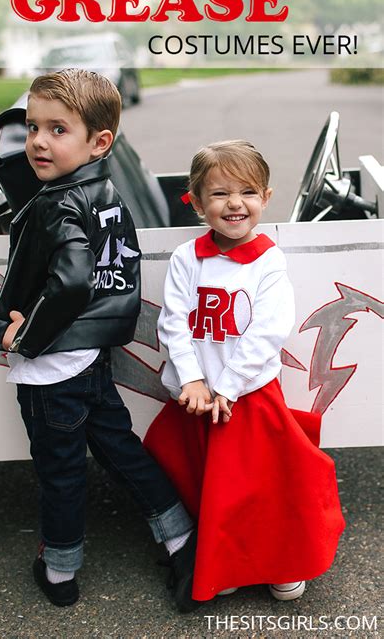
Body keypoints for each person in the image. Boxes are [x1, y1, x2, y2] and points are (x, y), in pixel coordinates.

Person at [0, 69, 195, 608]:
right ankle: (180, 536)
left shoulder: (56, 203)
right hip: (90, 356)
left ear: (99, 141)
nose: (36, 140)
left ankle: (59, 572)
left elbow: (73, 278)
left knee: (60, 473)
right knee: (120, 448)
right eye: (32, 127)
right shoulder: (105, 192)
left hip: (52, 370)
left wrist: (24, 334)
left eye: (57, 129)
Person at [144, 140, 345, 612]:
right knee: (214, 490)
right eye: (219, 194)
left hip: (248, 396)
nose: (235, 203)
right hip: (197, 399)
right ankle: (226, 564)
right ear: (194, 201)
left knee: (267, 486)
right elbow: (174, 322)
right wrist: (193, 381)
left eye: (247, 191)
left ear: (266, 198)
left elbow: (266, 332)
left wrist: (226, 388)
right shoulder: (185, 259)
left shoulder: (268, 261)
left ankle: (282, 562)